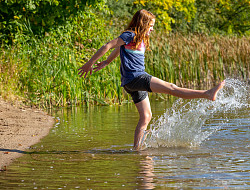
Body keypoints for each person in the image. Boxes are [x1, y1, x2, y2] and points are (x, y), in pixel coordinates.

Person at [78, 9, 225, 150]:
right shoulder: (130, 34)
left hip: (131, 83)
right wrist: (89, 63)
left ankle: (137, 150)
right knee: (171, 87)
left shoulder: (138, 38)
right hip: (136, 77)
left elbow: (118, 49)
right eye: (151, 25)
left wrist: (106, 62)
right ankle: (207, 93)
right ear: (143, 23)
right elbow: (108, 45)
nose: (152, 29)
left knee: (146, 117)